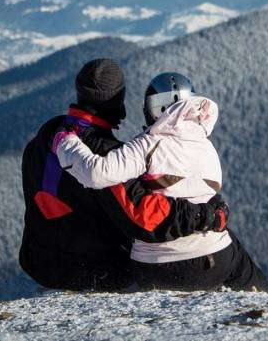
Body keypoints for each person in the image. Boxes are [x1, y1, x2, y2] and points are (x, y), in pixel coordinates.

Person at [19, 59, 229, 291]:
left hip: (35, 260)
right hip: (88, 270)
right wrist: (207, 213)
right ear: (116, 100)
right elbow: (146, 215)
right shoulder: (106, 153)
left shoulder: (50, 131)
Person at [53, 72, 268, 292]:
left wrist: (65, 142)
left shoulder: (146, 145)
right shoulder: (206, 147)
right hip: (216, 261)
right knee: (237, 255)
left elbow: (96, 173)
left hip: (156, 269)